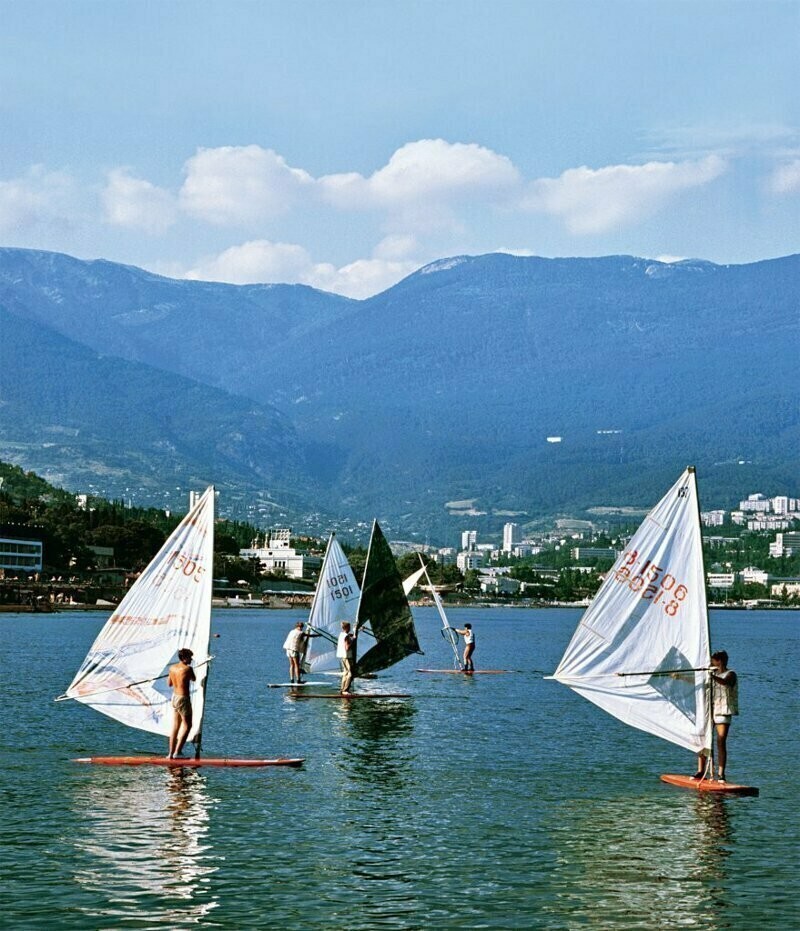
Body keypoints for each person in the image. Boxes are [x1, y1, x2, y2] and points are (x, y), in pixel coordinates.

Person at [694, 650, 738, 782]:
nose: (710, 662)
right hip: (709, 710)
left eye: (713, 660)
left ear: (719, 661)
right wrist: (680, 677)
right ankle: (701, 771)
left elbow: (725, 682)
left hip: (723, 711)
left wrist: (711, 676)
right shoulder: (710, 675)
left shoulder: (731, 674)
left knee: (720, 741)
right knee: (703, 739)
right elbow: (696, 682)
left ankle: (721, 774)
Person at [167, 648, 196, 759]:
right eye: (190, 657)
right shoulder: (188, 669)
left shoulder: (172, 668)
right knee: (188, 725)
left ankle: (170, 754)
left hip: (174, 698)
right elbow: (194, 679)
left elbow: (169, 683)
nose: (191, 659)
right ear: (184, 658)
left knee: (175, 726)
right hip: (183, 699)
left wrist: (174, 676)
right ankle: (177, 752)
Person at [337, 621, 356, 694]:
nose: (350, 628)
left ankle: (342, 689)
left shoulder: (341, 634)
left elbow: (349, 635)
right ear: (347, 627)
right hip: (347, 656)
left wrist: (357, 630)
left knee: (345, 673)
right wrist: (353, 640)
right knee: (350, 674)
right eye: (350, 627)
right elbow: (347, 647)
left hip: (342, 656)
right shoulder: (346, 636)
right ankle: (345, 690)